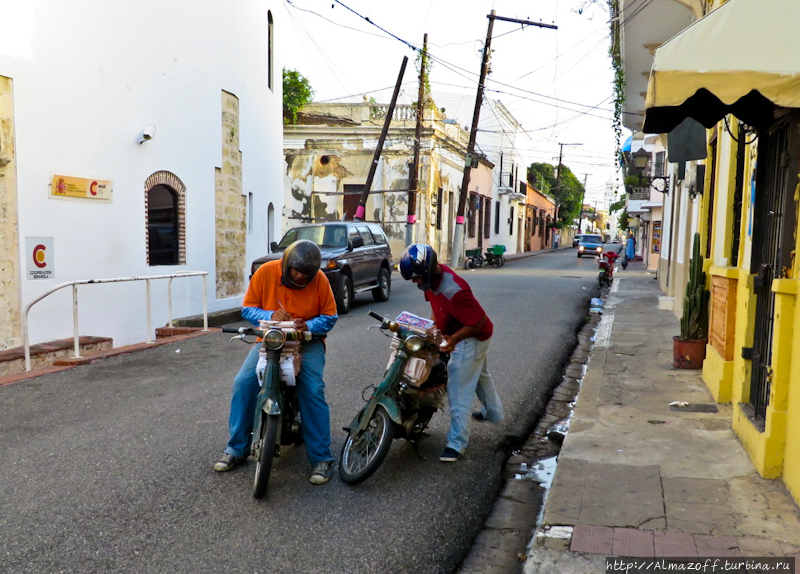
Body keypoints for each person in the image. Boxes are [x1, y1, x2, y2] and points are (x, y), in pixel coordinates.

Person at [214, 239, 338, 485]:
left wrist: (309, 325)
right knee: (243, 383)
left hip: (307, 341)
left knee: (312, 388)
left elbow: (330, 316)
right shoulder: (265, 272)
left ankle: (321, 458)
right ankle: (236, 449)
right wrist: (270, 316)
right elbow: (248, 309)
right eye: (297, 273)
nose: (302, 279)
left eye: (306, 277)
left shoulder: (320, 280)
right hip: (270, 338)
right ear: (286, 265)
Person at [399, 243, 504, 462]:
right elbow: (436, 308)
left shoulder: (454, 289)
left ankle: (456, 444)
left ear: (426, 272)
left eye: (415, 277)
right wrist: (433, 328)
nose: (414, 282)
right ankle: (494, 412)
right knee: (479, 376)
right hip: (460, 333)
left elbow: (478, 322)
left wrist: (453, 340)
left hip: (472, 337)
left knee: (458, 389)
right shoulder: (430, 281)